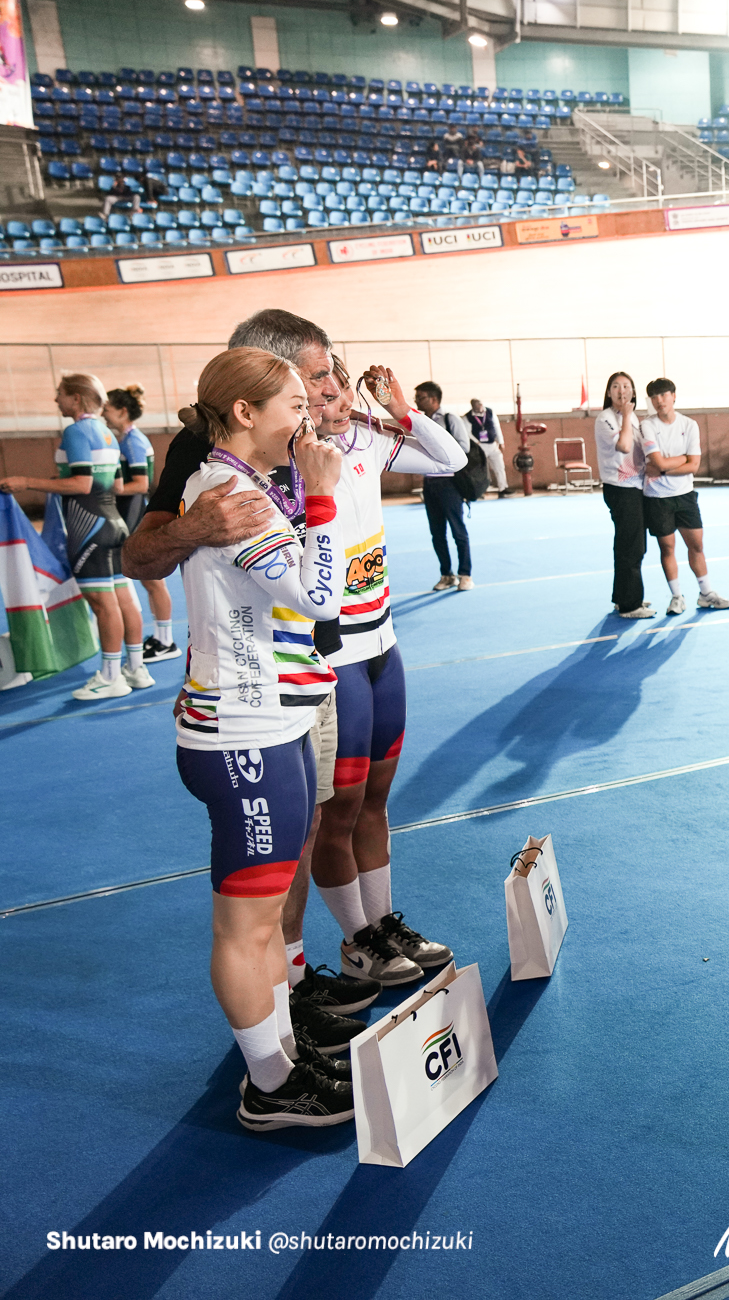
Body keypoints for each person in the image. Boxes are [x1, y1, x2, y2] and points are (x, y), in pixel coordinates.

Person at [127, 310, 463, 1004]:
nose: (328, 392)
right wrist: (194, 526)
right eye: (309, 383)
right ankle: (287, 993)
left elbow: (443, 461)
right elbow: (141, 555)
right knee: (294, 840)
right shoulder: (206, 457)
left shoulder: (333, 441)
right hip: (264, 689)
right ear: (260, 393)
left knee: (332, 817)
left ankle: (311, 972)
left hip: (330, 664)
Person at [169, 345, 354, 1131]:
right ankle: (269, 1085)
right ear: (245, 414)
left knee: (271, 908)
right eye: (293, 407)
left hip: (266, 721)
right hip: (240, 730)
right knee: (247, 924)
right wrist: (321, 496)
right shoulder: (229, 492)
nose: (305, 420)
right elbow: (320, 593)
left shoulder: (238, 482)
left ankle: (278, 1050)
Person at [0, 373, 148, 700]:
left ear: (76, 398)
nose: (56, 400)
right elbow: (117, 486)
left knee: (103, 602)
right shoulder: (109, 434)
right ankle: (135, 669)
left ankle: (110, 676)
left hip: (88, 527)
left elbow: (81, 485)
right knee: (123, 598)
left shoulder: (76, 431)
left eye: (60, 394)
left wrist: (27, 481)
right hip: (113, 521)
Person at [103, 384, 179, 664]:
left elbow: (141, 484)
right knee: (149, 582)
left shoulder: (133, 442)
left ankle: (166, 640)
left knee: (152, 580)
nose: (103, 414)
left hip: (136, 513)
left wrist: (104, 488)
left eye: (107, 409)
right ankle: (162, 637)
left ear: (123, 412)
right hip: (130, 512)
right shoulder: (124, 440)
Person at [643, 377, 729, 615]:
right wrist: (680, 459)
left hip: (685, 496)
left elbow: (693, 466)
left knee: (696, 545)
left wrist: (663, 468)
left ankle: (706, 594)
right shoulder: (647, 426)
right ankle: (676, 597)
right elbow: (659, 460)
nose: (659, 401)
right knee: (667, 548)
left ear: (674, 396)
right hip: (657, 497)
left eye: (663, 395)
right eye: (654, 397)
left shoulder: (689, 424)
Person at [596, 372, 655, 618]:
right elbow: (624, 446)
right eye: (616, 387)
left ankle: (623, 597)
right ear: (609, 392)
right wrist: (628, 416)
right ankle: (631, 605)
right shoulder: (606, 419)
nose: (622, 391)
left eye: (627, 386)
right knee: (631, 546)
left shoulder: (632, 419)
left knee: (632, 545)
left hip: (636, 486)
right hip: (620, 488)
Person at [415, 380, 475, 591]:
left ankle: (465, 574)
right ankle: (446, 574)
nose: (416, 401)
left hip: (449, 481)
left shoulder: (451, 419)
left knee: (458, 530)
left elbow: (464, 447)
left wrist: (439, 452)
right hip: (429, 482)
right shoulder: (421, 421)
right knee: (437, 533)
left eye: (420, 397)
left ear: (433, 399)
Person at [465, 397, 506, 496]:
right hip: (480, 446)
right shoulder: (467, 417)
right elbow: (467, 432)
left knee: (499, 466)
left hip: (492, 444)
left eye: (480, 405)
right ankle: (481, 491)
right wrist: (476, 442)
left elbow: (496, 427)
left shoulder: (490, 412)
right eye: (476, 406)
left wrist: (501, 441)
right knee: (480, 469)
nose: (479, 408)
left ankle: (503, 488)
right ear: (472, 407)